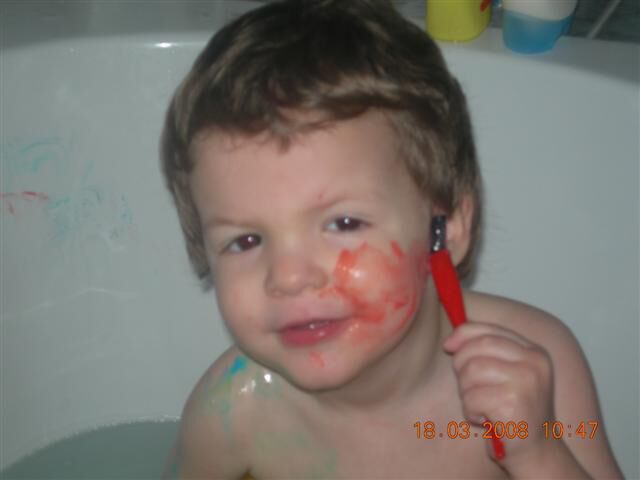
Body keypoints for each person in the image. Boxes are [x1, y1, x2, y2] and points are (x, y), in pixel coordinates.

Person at [160, 0, 623, 478]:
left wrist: (538, 452)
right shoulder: (231, 416)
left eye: (344, 223)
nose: (289, 276)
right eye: (246, 241)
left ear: (448, 227)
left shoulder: (537, 366)